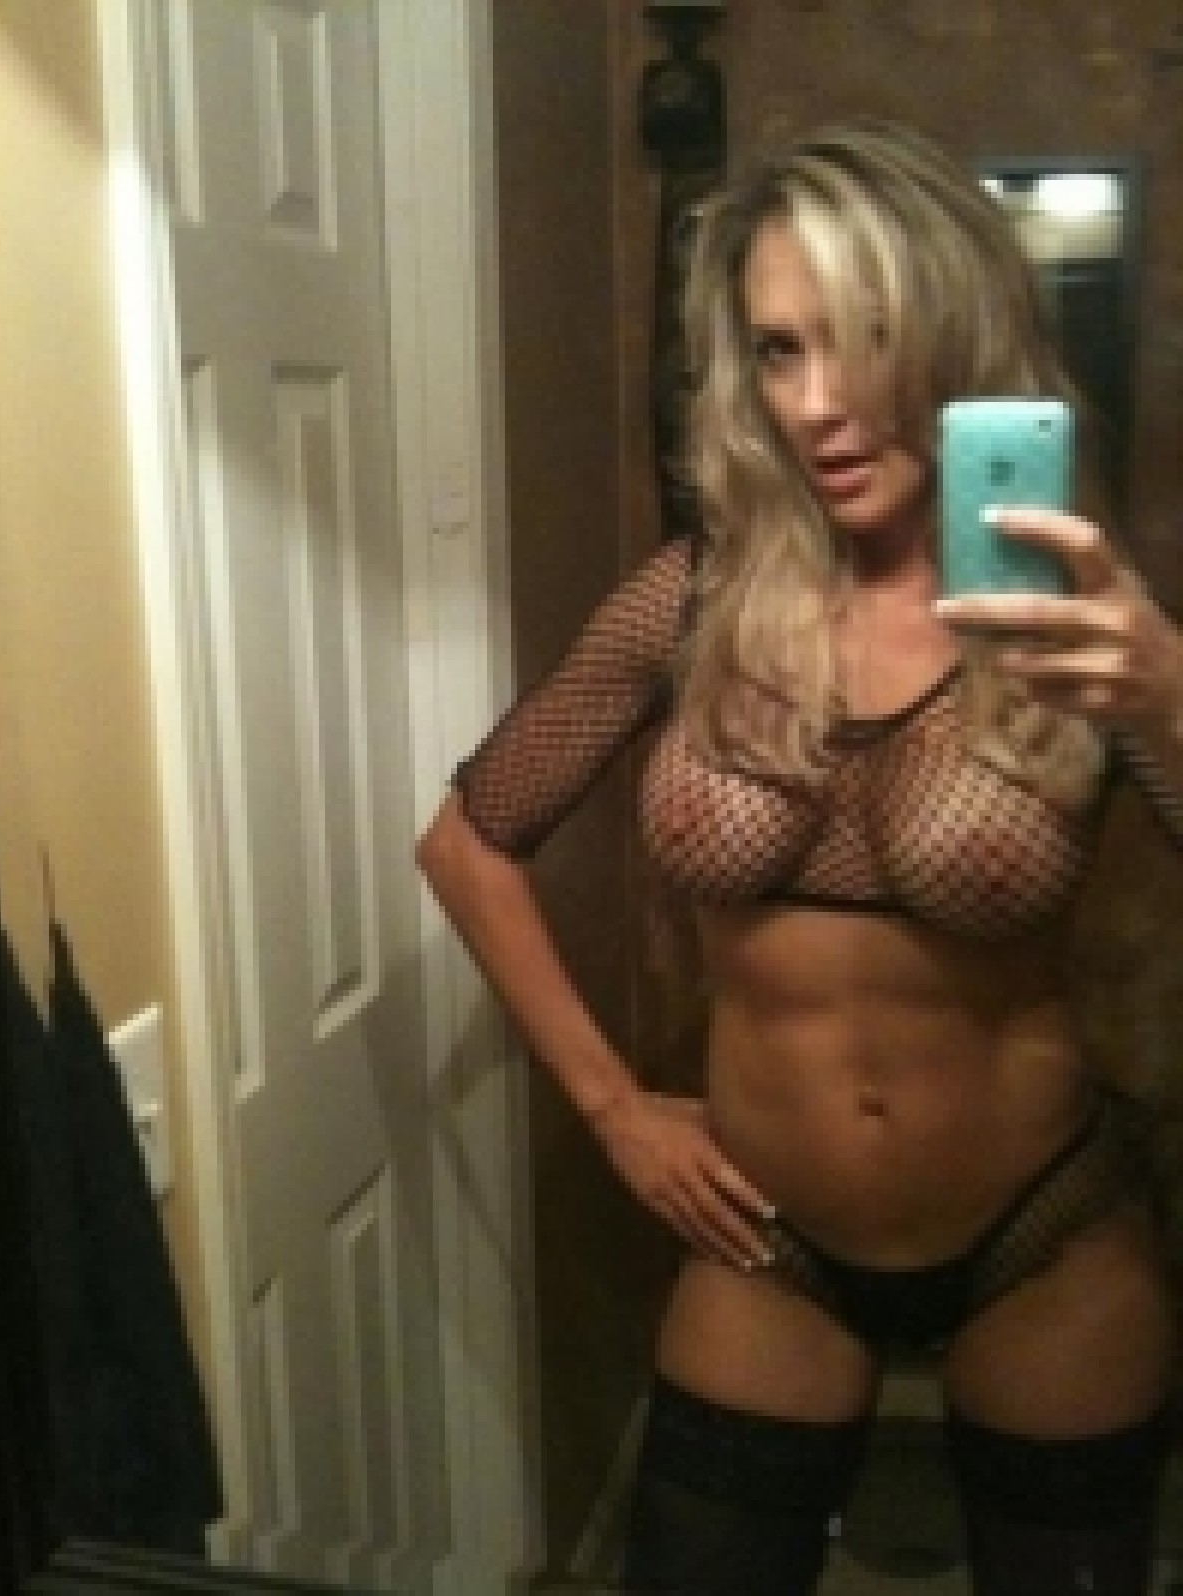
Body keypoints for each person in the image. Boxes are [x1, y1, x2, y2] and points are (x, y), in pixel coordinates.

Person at [416, 118, 1183, 1595]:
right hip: (769, 1242)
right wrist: (613, 1106)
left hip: (1048, 1235)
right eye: (778, 350)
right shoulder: (692, 600)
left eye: (867, 338)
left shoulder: (1075, 617)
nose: (819, 405)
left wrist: (1166, 695)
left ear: (958, 334)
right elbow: (468, 842)